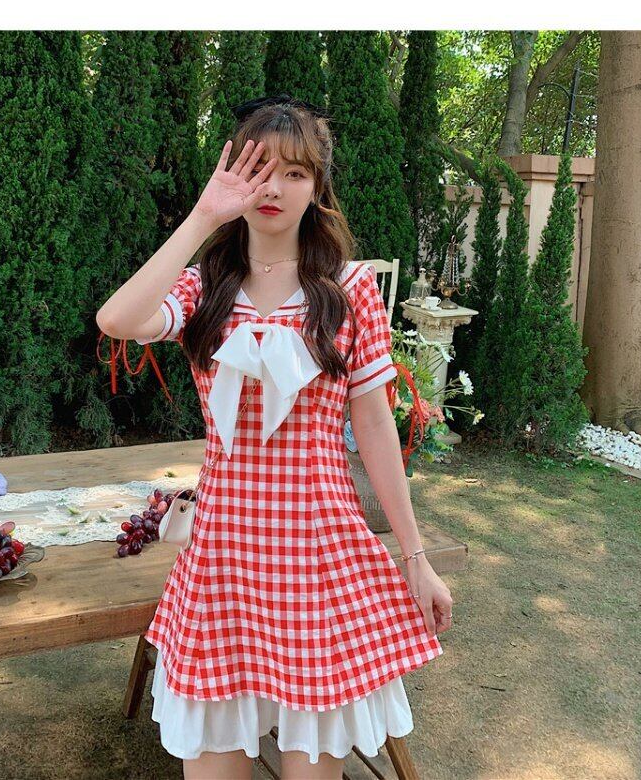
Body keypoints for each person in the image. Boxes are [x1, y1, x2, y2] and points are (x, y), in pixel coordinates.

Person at [96, 95, 453, 780]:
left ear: (317, 187)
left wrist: (415, 555)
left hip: (319, 561)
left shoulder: (347, 290)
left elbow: (374, 424)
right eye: (260, 169)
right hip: (224, 561)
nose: (274, 188)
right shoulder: (203, 288)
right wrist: (204, 217)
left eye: (295, 173)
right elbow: (117, 319)